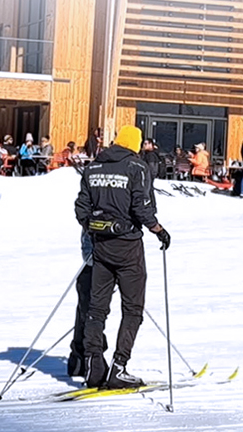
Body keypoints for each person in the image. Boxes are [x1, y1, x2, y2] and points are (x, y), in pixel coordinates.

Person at [73, 125, 169, 390]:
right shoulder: (136, 168)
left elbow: (81, 206)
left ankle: (93, 363)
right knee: (133, 308)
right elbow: (142, 207)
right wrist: (158, 230)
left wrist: (91, 226)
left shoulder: (93, 168)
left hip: (100, 246)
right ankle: (119, 367)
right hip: (128, 248)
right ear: (134, 144)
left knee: (96, 308)